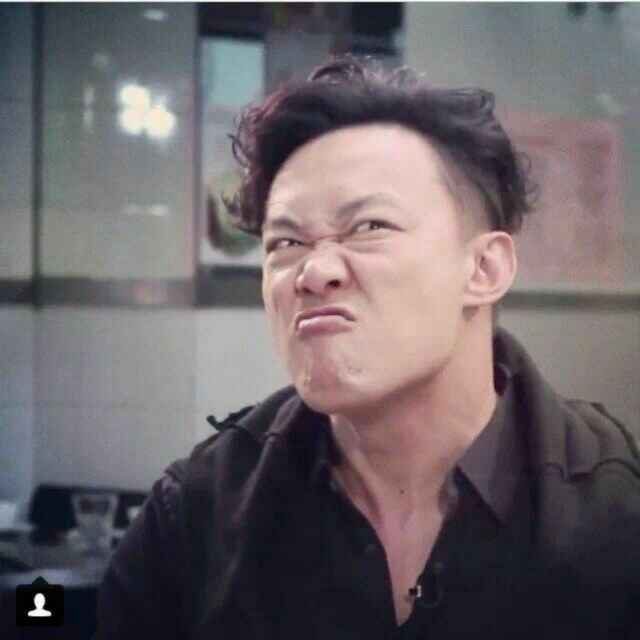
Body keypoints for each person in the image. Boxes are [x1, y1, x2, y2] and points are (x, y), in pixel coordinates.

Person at [96, 57, 640, 639]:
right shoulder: (196, 518)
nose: (313, 271)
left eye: (369, 227)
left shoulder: (617, 517)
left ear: (484, 268)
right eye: (286, 242)